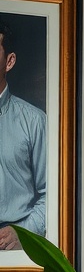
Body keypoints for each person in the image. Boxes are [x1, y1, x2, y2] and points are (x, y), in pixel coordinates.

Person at [0, 20, 47, 249]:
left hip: (15, 248)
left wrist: (23, 234)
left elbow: (54, 195)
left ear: (9, 61)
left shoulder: (35, 122)